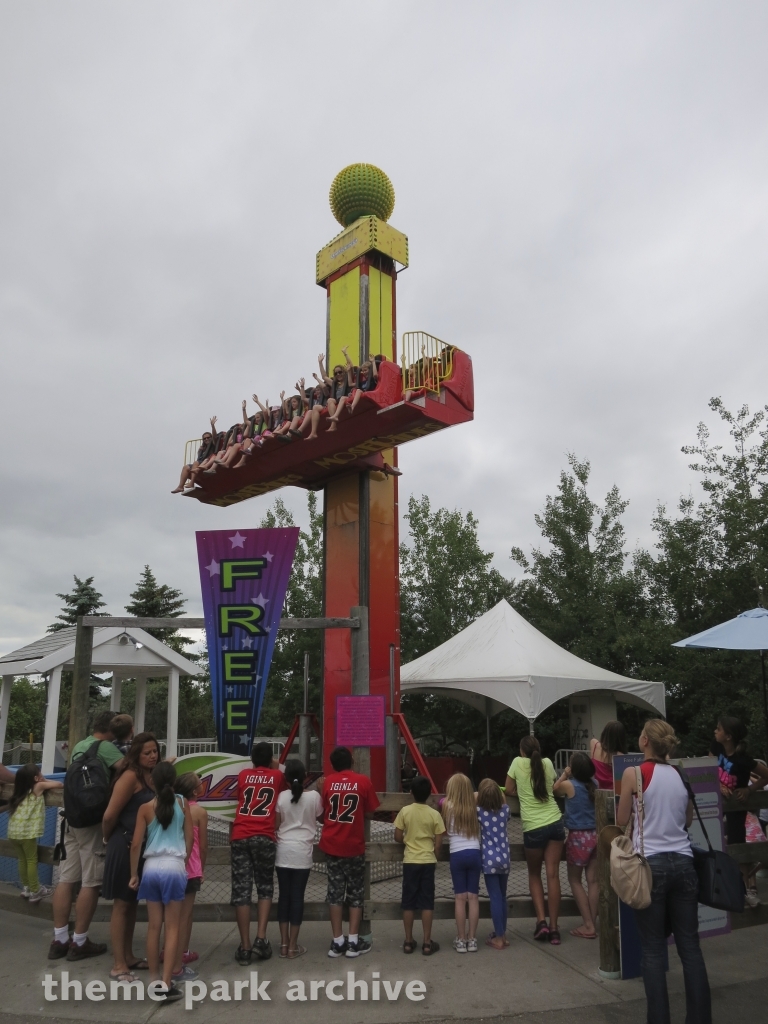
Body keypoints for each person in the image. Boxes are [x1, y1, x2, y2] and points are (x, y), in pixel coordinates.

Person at [617, 719, 711, 1024]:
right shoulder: (681, 774)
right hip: (684, 864)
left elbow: (621, 819)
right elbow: (687, 821)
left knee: (654, 950)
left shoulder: (633, 774)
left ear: (645, 741)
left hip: (650, 866)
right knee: (690, 947)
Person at [49, 709, 124, 961]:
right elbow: (126, 770)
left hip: (72, 819)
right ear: (112, 729)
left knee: (67, 878)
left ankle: (59, 938)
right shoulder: (105, 747)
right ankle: (79, 941)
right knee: (91, 882)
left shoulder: (80, 744)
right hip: (93, 822)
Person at [129, 761, 193, 1004]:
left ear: (151, 782)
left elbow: (136, 844)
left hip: (151, 867)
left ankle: (154, 979)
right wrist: (183, 861)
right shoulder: (182, 804)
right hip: (174, 865)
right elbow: (189, 837)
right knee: (173, 926)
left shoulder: (145, 808)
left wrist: (134, 873)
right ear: (174, 781)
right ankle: (167, 983)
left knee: (154, 926)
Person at [101, 733, 160, 980]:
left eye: (155, 751)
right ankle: (118, 964)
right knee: (122, 905)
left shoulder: (153, 778)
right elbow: (109, 815)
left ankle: (129, 956)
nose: (152, 756)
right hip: (123, 843)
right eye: (147, 753)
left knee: (133, 904)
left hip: (143, 847)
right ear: (136, 754)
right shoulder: (129, 777)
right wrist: (107, 838)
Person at [319, 746, 380, 958]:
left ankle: (337, 941)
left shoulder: (327, 782)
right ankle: (353, 940)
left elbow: (323, 810)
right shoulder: (363, 781)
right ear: (352, 761)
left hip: (332, 843)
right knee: (356, 893)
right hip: (353, 844)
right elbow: (371, 811)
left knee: (334, 893)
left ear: (333, 765)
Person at [230, 741, 287, 965]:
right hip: (264, 834)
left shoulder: (243, 775)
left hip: (241, 833)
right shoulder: (276, 776)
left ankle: (244, 947)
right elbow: (282, 770)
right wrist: (273, 763)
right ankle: (260, 939)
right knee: (265, 887)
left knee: (241, 892)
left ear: (252, 760)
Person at [505, 735, 564, 944]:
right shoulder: (547, 763)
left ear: (522, 751)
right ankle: (555, 928)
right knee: (553, 875)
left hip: (534, 827)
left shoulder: (517, 763)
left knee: (534, 875)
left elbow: (509, 789)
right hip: (556, 822)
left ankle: (541, 922)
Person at [710, 715, 768, 908]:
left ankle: (744, 890)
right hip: (715, 804)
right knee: (715, 843)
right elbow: (708, 767)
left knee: (738, 844)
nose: (715, 731)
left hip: (736, 807)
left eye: (718, 729)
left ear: (729, 736)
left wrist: (749, 789)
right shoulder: (716, 748)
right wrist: (717, 783)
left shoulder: (744, 760)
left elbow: (765, 776)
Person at [274, 759, 323, 959]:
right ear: (305, 777)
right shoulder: (314, 797)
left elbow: (276, 824)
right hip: (303, 852)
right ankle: (294, 946)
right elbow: (321, 817)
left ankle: (284, 943)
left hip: (283, 851)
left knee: (283, 897)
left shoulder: (281, 797)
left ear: (285, 779)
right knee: (297, 898)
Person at [394, 775, 444, 956]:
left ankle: (408, 941)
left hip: (410, 861)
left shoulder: (405, 811)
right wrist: (435, 857)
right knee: (427, 902)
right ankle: (427, 942)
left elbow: (398, 836)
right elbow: (438, 843)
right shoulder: (435, 814)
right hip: (428, 861)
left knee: (408, 902)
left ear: (411, 793)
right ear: (430, 794)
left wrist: (408, 840)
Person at [553, 752, 598, 939]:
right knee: (594, 881)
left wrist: (564, 773)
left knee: (575, 880)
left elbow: (554, 789)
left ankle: (588, 925)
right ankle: (592, 921)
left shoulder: (569, 785)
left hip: (578, 837)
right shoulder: (594, 785)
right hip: (595, 835)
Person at [7, 763, 62, 902]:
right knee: (31, 860)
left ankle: (27, 888)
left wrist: (40, 779)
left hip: (14, 831)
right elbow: (60, 784)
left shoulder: (19, 790)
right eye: (40, 773)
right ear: (36, 778)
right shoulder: (38, 787)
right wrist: (44, 781)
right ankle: (35, 890)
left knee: (22, 859)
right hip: (26, 833)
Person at [172, 772, 208, 976]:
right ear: (195, 791)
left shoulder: (171, 807)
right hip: (190, 868)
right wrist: (201, 868)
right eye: (200, 783)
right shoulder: (199, 812)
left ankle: (167, 951)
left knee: (171, 916)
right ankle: (179, 960)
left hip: (171, 865)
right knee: (184, 918)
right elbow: (203, 846)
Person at [441, 773, 481, 953]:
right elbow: (479, 794)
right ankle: (472, 939)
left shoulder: (447, 806)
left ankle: (461, 939)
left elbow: (441, 801)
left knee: (460, 898)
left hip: (457, 854)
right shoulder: (474, 807)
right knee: (473, 898)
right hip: (474, 852)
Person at [475, 778, 510, 949]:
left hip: (489, 860)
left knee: (494, 897)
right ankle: (501, 933)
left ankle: (499, 937)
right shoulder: (505, 811)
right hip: (505, 859)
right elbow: (503, 798)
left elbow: (473, 798)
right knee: (502, 897)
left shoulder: (480, 812)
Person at [172, 418, 218, 493]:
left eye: (208, 437)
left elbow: (215, 437)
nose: (206, 439)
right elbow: (199, 458)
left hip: (208, 461)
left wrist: (212, 426)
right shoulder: (202, 448)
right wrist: (199, 451)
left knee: (196, 463)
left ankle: (192, 482)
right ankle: (180, 487)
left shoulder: (213, 444)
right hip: (200, 462)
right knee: (186, 467)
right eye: (204, 438)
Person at [590, 721, 627, 791]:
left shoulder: (594, 745)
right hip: (614, 792)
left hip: (597, 790)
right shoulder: (621, 756)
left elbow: (595, 741)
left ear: (605, 733)